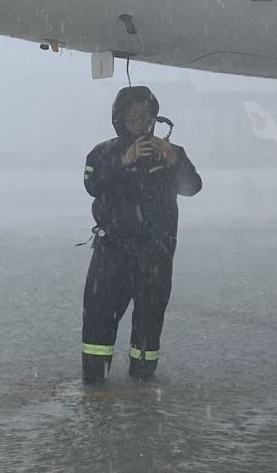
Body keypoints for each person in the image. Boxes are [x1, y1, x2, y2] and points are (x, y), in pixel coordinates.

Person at [81, 85, 202, 384]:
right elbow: (93, 185)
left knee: (149, 320)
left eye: (145, 114)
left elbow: (192, 187)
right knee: (99, 320)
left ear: (154, 118)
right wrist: (125, 161)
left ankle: (143, 380)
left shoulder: (170, 152)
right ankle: (95, 380)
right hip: (113, 253)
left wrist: (175, 160)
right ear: (119, 117)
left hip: (156, 254)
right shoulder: (103, 152)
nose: (139, 119)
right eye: (132, 113)